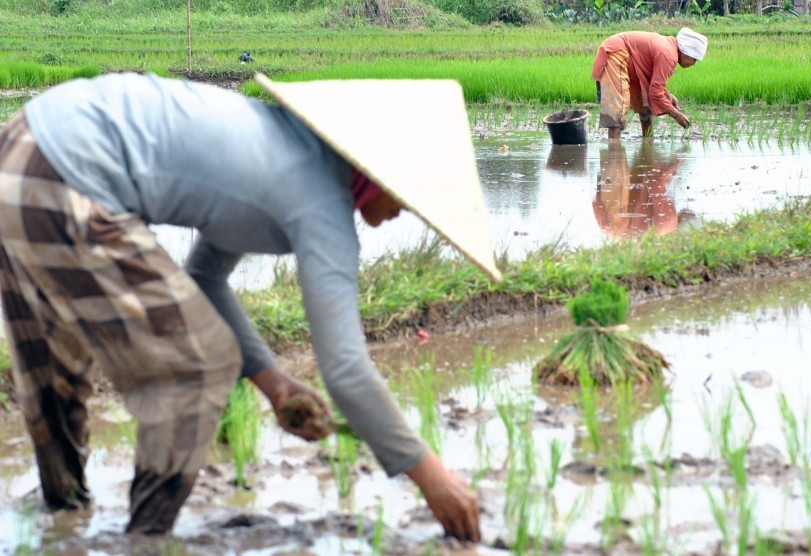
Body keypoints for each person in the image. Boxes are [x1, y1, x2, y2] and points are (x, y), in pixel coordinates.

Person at [0, 71, 502, 540]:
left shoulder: (284, 148)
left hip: (23, 148)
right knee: (199, 365)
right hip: (67, 174)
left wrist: (275, 384)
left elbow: (204, 279)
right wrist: (433, 477)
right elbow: (347, 370)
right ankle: (145, 539)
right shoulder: (321, 204)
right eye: (409, 197)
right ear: (380, 173)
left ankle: (61, 524)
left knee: (56, 370)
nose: (405, 211)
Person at [592, 27, 708, 141]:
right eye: (694, 59)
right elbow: (655, 92)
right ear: (686, 52)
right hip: (615, 53)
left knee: (645, 103)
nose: (693, 64)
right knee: (618, 106)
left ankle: (647, 143)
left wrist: (667, 95)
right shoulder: (668, 55)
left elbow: (655, 86)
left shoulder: (669, 50)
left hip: (628, 59)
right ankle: (613, 150)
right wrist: (676, 115)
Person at [592, 142, 685, 238]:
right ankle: (610, 144)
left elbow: (656, 181)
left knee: (616, 150)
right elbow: (596, 204)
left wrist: (676, 163)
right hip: (615, 227)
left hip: (618, 220)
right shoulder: (666, 226)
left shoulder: (669, 223)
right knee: (615, 158)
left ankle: (611, 141)